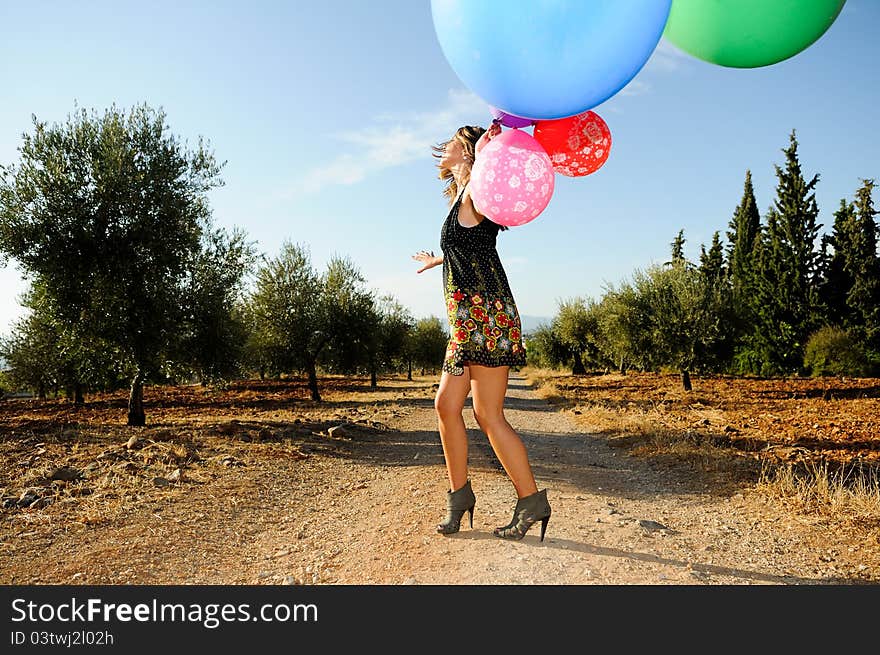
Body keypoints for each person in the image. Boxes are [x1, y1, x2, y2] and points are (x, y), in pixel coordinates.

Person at [411, 123, 551, 542]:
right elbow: (472, 246)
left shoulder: (477, 189)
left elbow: (489, 167)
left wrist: (492, 137)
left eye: (452, 141)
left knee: (487, 415)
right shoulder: (461, 199)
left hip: (483, 317)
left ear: (468, 151)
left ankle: (530, 502)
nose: (444, 147)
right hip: (469, 316)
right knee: (446, 406)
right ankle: (461, 498)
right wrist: (441, 260)